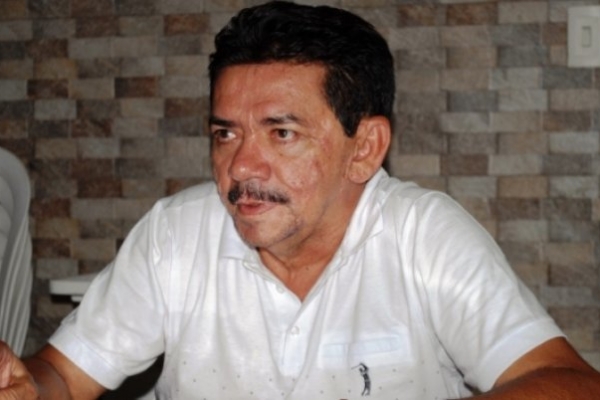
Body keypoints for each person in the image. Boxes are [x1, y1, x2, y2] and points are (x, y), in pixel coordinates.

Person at [1, 1, 600, 399]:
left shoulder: (424, 236)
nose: (240, 166)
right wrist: (24, 386)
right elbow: (63, 378)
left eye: (282, 133)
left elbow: (570, 383)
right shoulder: (175, 235)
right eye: (225, 133)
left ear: (365, 148)